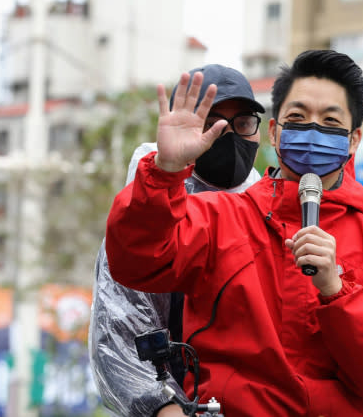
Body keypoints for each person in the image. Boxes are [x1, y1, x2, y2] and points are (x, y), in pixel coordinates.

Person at [104, 50, 363, 416]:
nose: (312, 131)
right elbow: (137, 262)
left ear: (353, 141)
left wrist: (337, 293)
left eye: (329, 121)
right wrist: (165, 171)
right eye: (298, 118)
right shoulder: (216, 218)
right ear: (274, 132)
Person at [89, 64, 264, 417]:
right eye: (212, 122)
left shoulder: (266, 211)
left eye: (242, 124)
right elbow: (120, 339)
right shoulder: (145, 222)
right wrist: (166, 408)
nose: (227, 135)